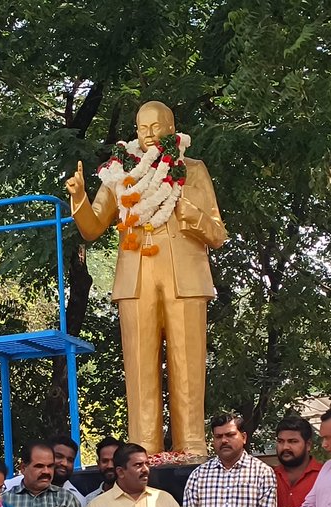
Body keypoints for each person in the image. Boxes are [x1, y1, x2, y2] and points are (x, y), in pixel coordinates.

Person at [66, 100, 227, 455]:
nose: (150, 135)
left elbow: (217, 233)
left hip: (185, 277)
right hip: (136, 277)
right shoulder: (118, 173)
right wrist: (79, 198)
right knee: (139, 367)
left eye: (157, 127)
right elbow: (92, 227)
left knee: (188, 366)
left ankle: (192, 446)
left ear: (172, 128)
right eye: (143, 128)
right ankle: (143, 448)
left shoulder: (193, 170)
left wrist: (188, 212)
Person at [4, 435, 86, 504]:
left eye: (70, 460)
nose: (64, 463)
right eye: (58, 456)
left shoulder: (77, 499)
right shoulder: (7, 489)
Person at [83, 437, 123, 507]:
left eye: (114, 460)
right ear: (98, 464)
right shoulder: (89, 500)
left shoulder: (134, 495)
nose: (110, 466)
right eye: (105, 461)